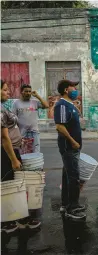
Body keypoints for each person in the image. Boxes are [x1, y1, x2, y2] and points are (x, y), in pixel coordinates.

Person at [1, 80, 41, 232]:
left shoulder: (3, 107)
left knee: (12, 183)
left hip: (13, 147)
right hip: (6, 152)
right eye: (5, 90)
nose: (8, 92)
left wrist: (19, 138)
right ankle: (7, 221)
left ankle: (15, 217)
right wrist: (13, 159)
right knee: (8, 184)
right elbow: (4, 138)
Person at [54, 80, 86, 220]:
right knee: (73, 177)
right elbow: (59, 126)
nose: (76, 90)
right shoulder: (61, 105)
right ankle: (72, 208)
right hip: (69, 147)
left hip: (73, 147)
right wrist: (73, 142)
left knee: (67, 175)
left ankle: (66, 204)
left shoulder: (69, 104)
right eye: (74, 87)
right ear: (66, 90)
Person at [12, 84, 49, 153]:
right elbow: (14, 119)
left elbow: (46, 106)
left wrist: (37, 96)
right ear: (21, 92)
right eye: (26, 91)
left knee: (36, 153)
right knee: (23, 152)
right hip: (22, 133)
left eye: (29, 91)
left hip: (34, 132)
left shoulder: (34, 102)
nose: (28, 93)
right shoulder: (16, 103)